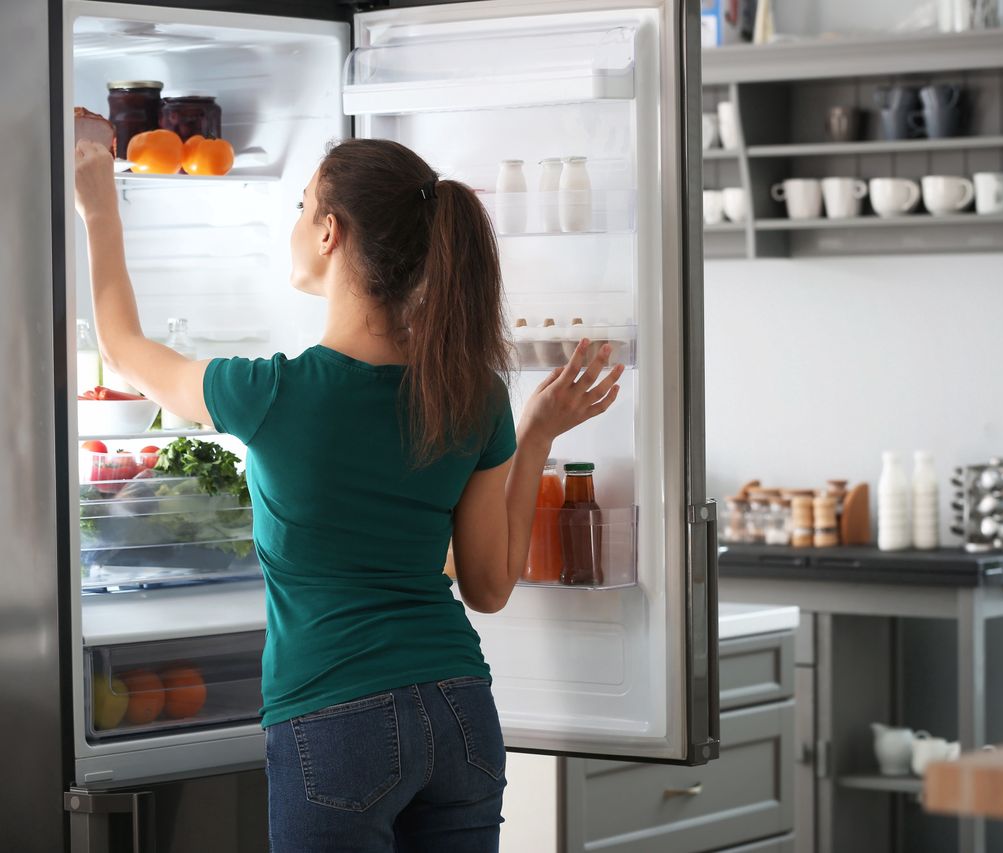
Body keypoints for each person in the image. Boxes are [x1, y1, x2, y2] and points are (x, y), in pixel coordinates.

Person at [74, 137, 623, 852]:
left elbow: (121, 348)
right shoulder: (472, 393)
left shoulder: (271, 390)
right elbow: (487, 586)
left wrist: (97, 206)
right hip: (459, 708)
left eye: (303, 205)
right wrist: (535, 436)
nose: (297, 220)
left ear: (331, 232)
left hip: (336, 719)